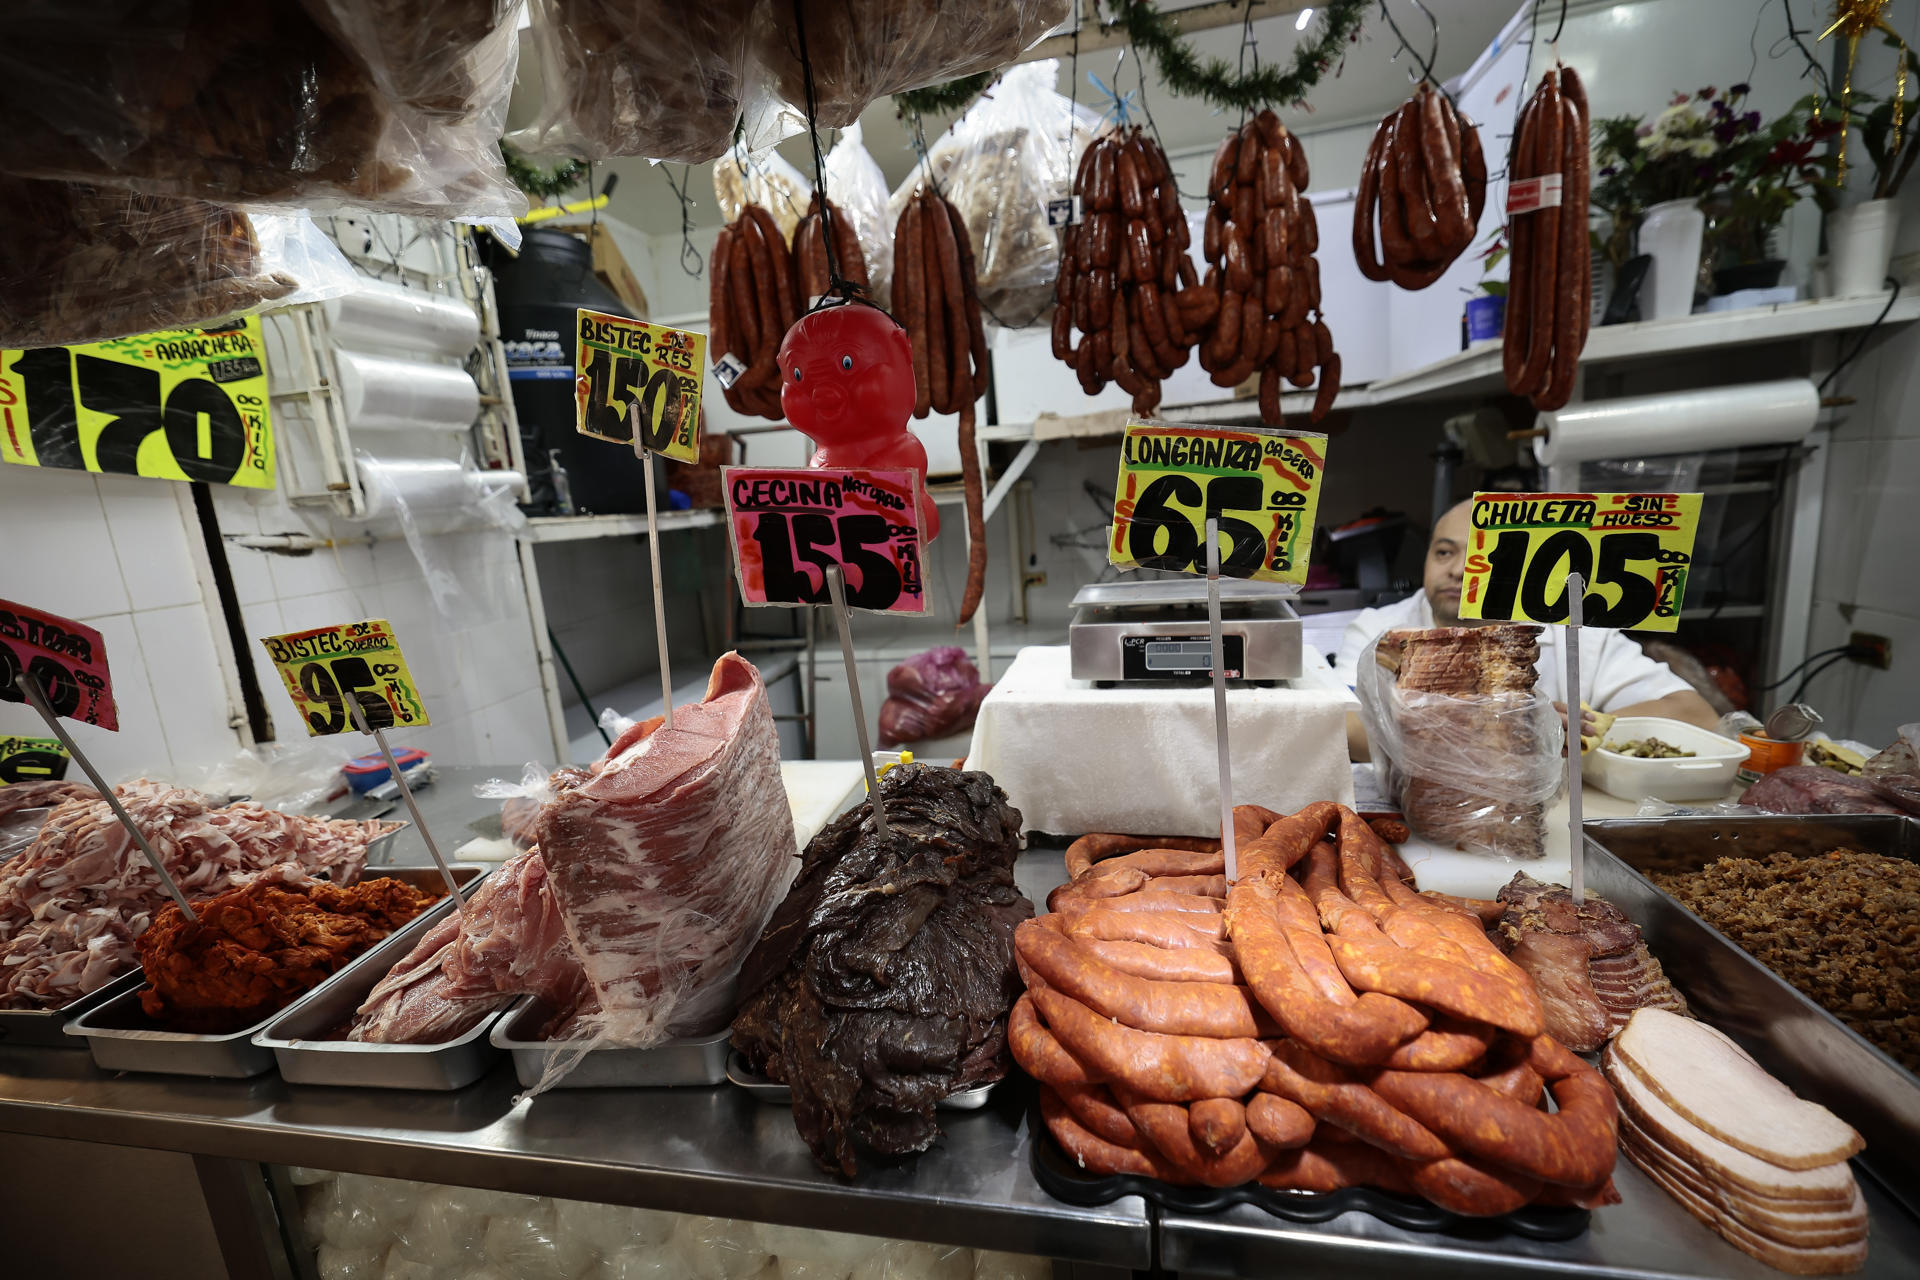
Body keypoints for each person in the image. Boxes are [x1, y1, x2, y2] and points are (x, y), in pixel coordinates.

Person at [1334, 499, 1721, 759]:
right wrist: (1512, 730)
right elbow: (1343, 730)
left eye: (1477, 555)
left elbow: (1696, 714)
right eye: (1444, 552)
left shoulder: (1575, 631)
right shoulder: (1380, 630)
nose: (1455, 569)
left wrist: (1580, 726)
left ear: (1515, 566)